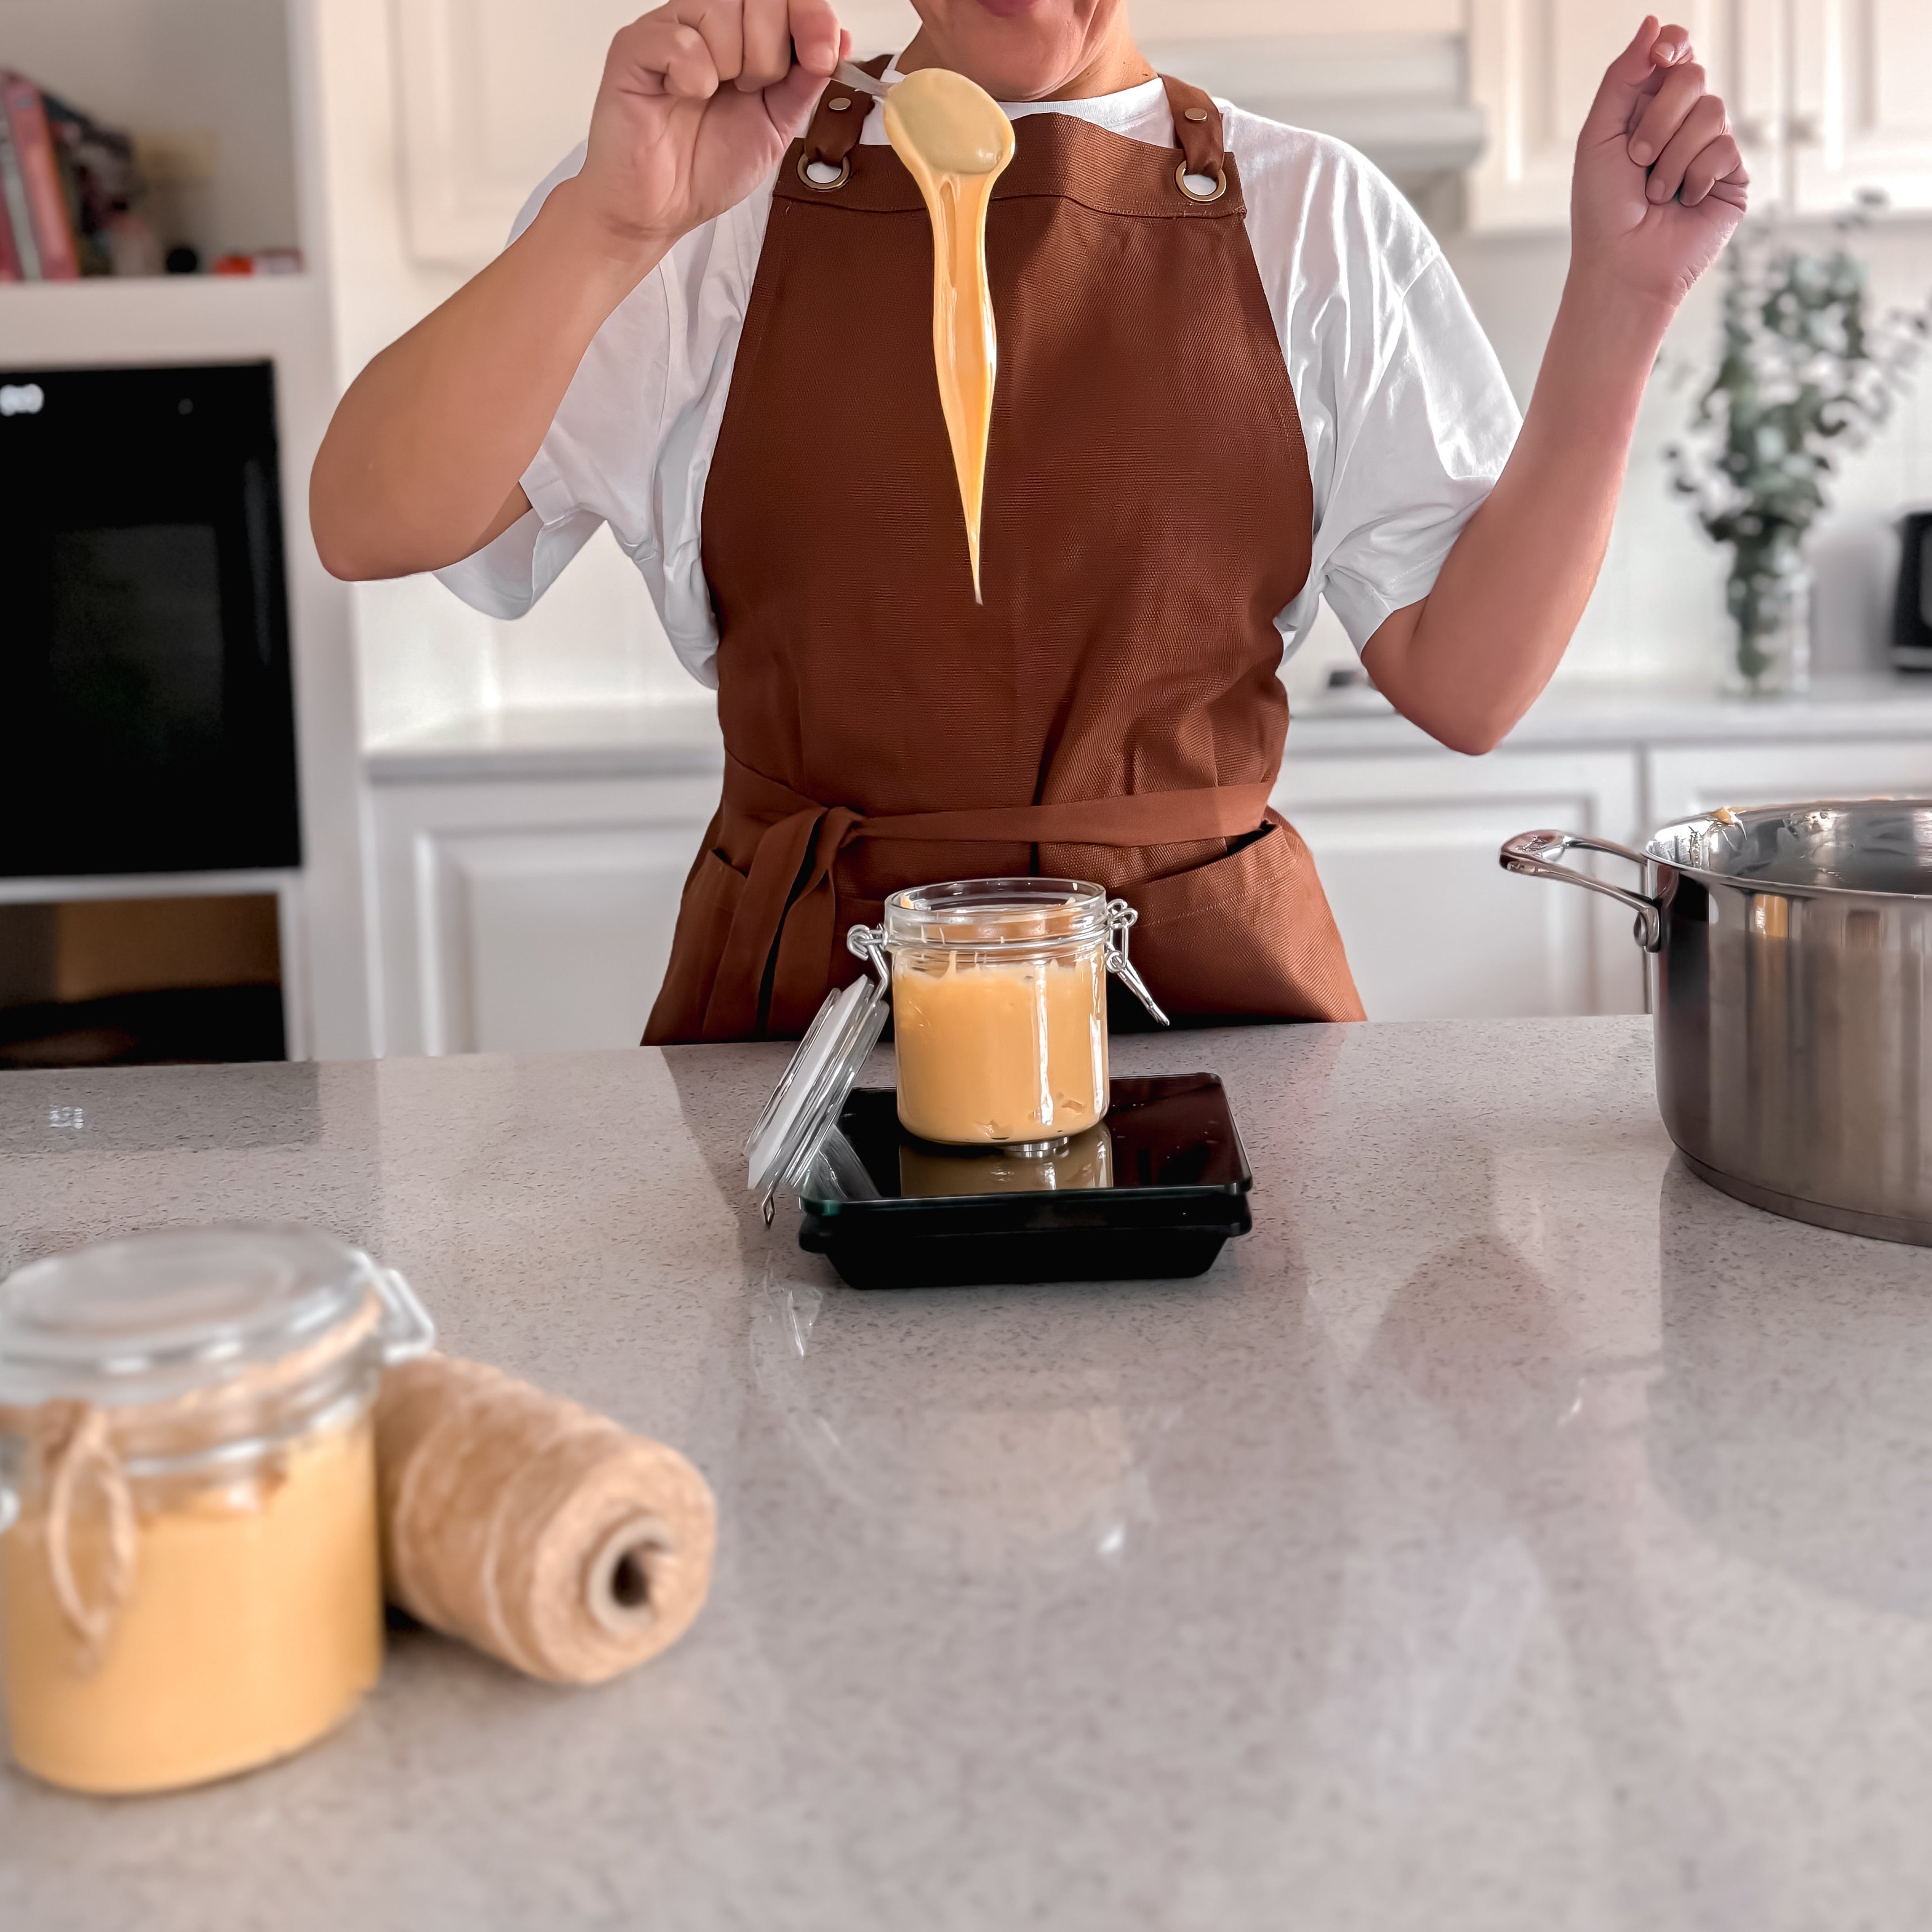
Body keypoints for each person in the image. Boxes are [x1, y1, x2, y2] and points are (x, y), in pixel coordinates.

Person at [311, 5, 1747, 1042]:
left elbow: (1468, 682)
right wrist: (610, 223)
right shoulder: (711, 199)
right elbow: (370, 520)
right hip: (818, 1021)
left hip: (1205, 1014)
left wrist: (1622, 304)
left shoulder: (1314, 216)